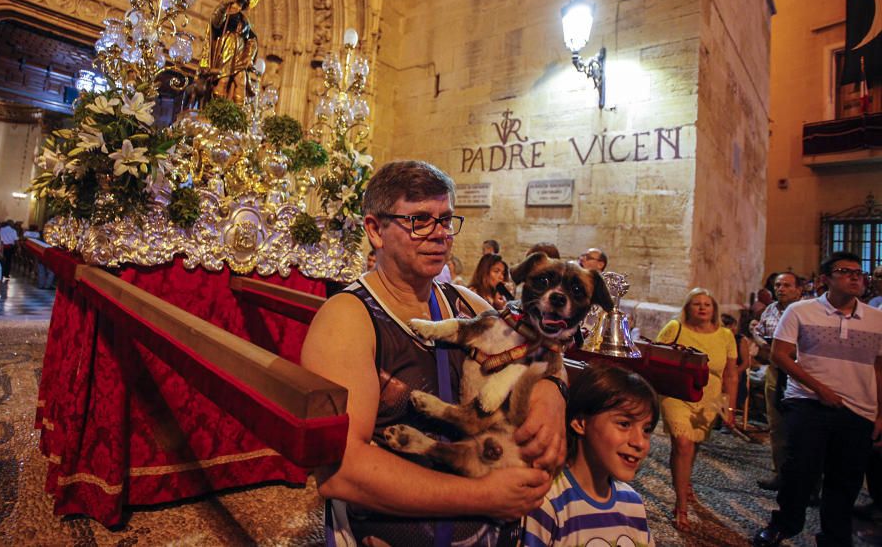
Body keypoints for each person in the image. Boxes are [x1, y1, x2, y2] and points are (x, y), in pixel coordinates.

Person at [301, 160, 566, 546]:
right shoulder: (347, 320)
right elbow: (343, 470)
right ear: (375, 230)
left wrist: (552, 392)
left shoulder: (468, 305)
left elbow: (544, 350)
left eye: (446, 220)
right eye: (420, 220)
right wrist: (485, 497)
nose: (440, 234)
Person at [753, 251, 882, 547]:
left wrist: (880, 414)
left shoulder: (876, 319)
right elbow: (780, 355)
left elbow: (879, 367)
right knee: (800, 468)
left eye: (858, 272)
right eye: (844, 271)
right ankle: (785, 523)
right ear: (826, 279)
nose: (854, 276)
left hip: (858, 408)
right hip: (808, 402)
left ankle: (835, 535)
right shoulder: (801, 311)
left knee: (846, 478)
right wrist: (820, 388)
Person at [524, 365, 658, 546]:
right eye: (624, 424)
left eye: (646, 430)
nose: (640, 443)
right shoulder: (547, 503)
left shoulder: (633, 505)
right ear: (580, 422)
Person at [655, 287, 738, 531]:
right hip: (677, 393)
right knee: (682, 443)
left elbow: (731, 375)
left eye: (707, 304)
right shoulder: (674, 328)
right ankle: (681, 506)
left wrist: (730, 407)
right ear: (687, 308)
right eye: (696, 303)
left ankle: (684, 480)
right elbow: (657, 357)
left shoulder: (725, 335)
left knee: (694, 443)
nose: (702, 307)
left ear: (714, 310)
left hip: (710, 398)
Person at [749, 271, 804, 491]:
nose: (781, 289)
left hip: (799, 372)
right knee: (777, 424)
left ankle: (807, 481)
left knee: (802, 427)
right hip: (775, 370)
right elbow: (760, 334)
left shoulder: (806, 311)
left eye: (787, 285)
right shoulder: (770, 310)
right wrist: (758, 337)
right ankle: (781, 473)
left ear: (798, 290)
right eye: (778, 285)